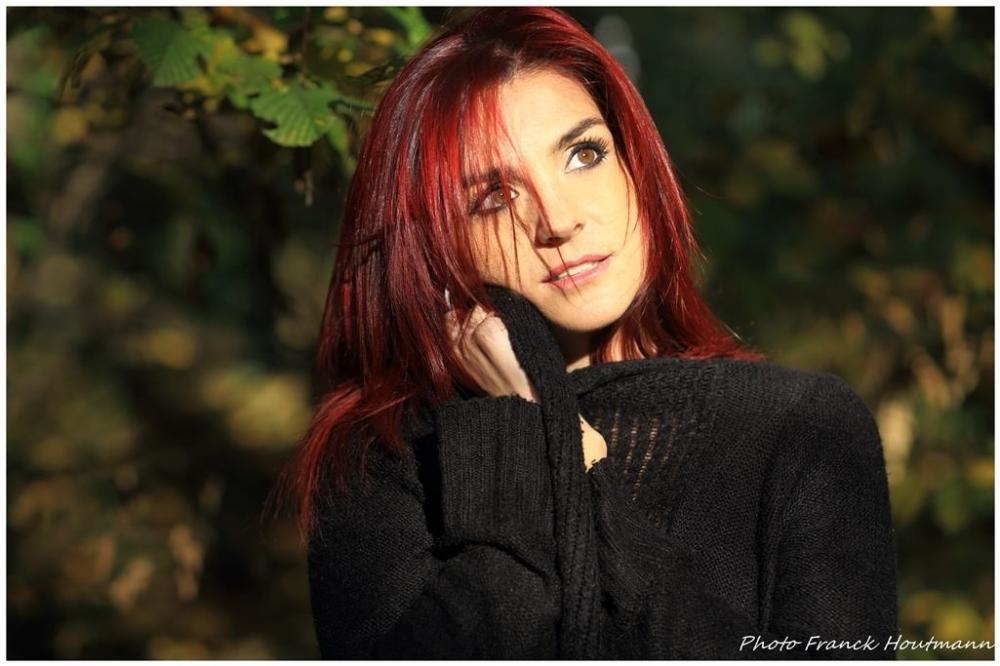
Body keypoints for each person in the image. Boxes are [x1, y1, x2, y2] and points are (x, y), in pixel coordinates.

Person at [286, 7, 898, 659]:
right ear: (436, 246)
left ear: (635, 166)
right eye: (493, 197)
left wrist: (578, 468)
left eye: (584, 154)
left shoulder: (797, 428)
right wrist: (514, 432)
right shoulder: (384, 453)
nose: (558, 220)